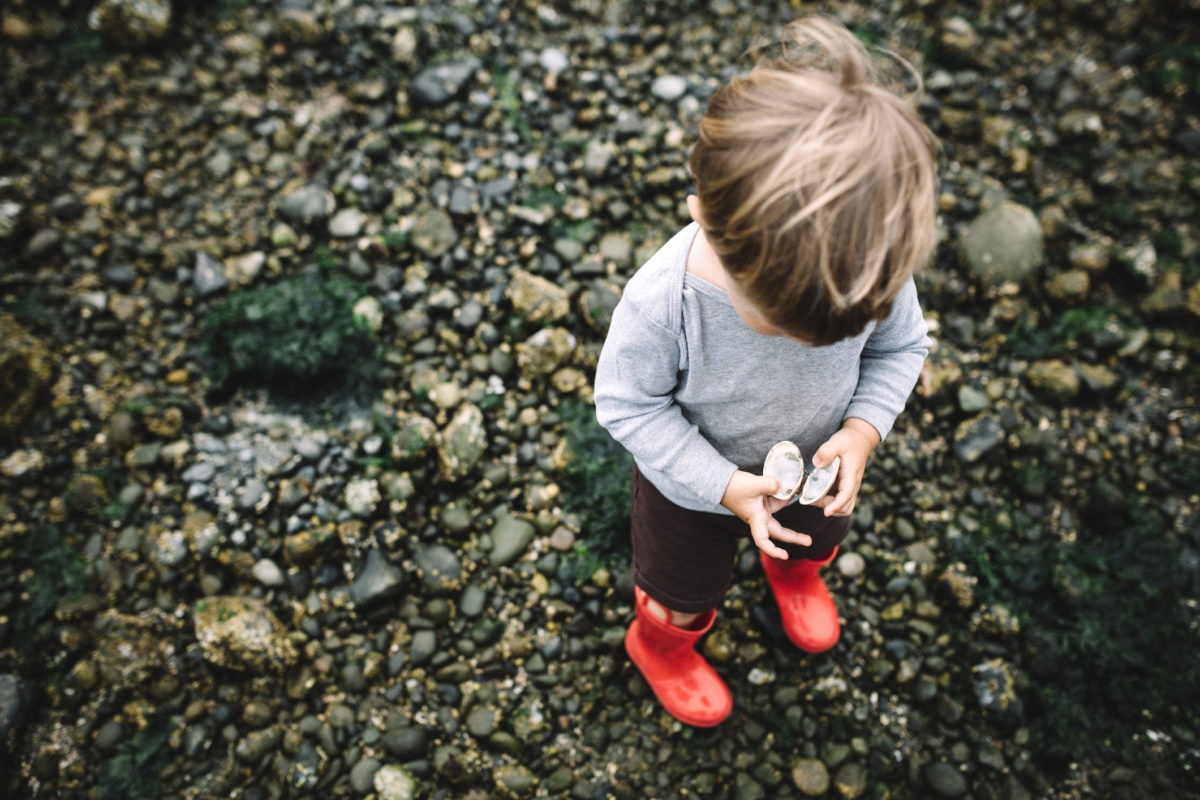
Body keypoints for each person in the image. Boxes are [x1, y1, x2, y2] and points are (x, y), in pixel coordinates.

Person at [593, 15, 938, 727]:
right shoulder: (664, 302)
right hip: (690, 488)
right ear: (704, 217)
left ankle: (793, 571)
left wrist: (864, 430)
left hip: (814, 469)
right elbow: (627, 406)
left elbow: (902, 348)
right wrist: (724, 489)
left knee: (815, 538)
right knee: (681, 589)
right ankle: (660, 644)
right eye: (780, 324)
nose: (802, 344)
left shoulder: (867, 269)